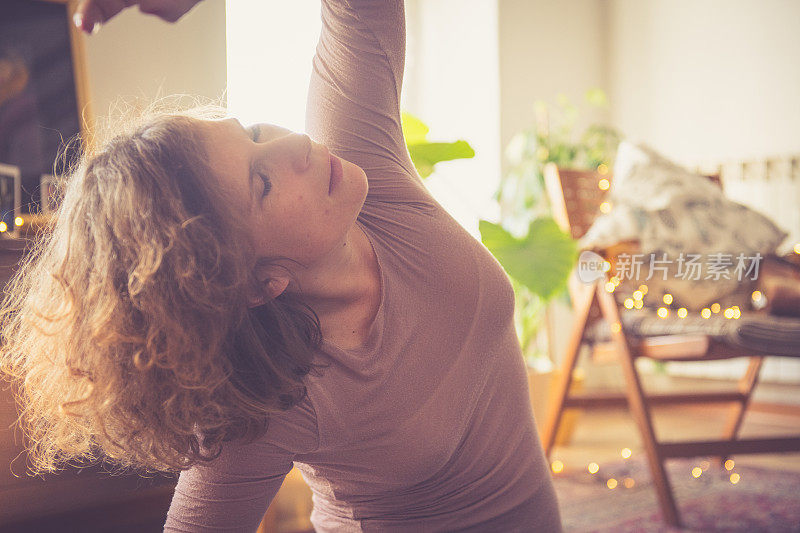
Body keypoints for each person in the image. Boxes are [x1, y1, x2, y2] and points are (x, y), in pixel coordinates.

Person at [1, 0, 563, 531]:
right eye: (261, 184)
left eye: (250, 133)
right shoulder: (272, 403)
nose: (295, 143)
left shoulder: (359, 169)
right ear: (256, 283)